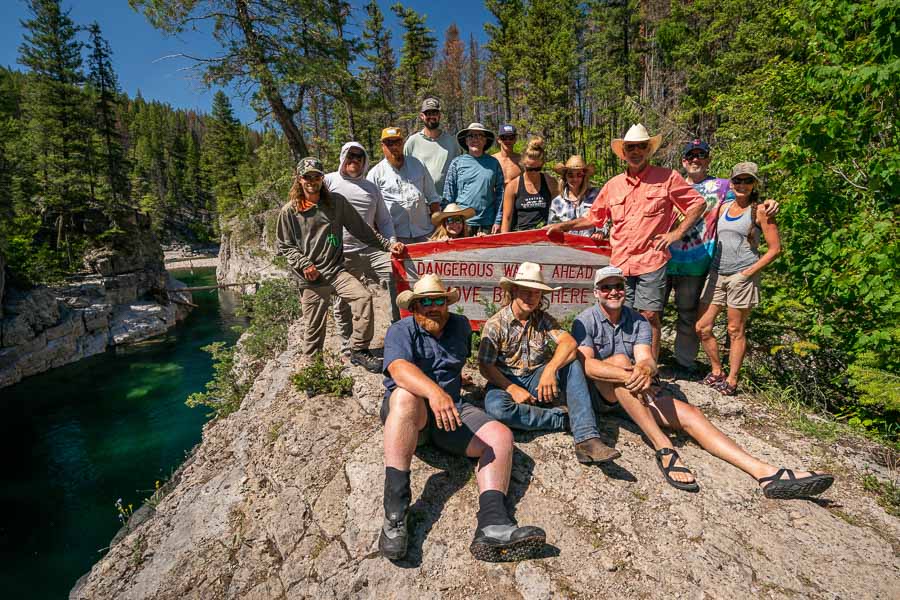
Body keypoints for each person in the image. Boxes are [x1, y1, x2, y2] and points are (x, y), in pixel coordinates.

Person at [574, 266, 834, 498]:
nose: (613, 292)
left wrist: (644, 370)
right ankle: (664, 447)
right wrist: (631, 374)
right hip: (603, 394)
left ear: (625, 289)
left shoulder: (638, 320)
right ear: (596, 293)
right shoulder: (586, 320)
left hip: (636, 392)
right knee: (620, 360)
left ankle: (764, 472)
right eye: (606, 288)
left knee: (692, 414)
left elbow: (647, 359)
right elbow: (587, 365)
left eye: (618, 286)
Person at [380, 274, 547, 562]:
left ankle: (493, 523)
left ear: (447, 303)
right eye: (425, 302)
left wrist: (456, 384)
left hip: (452, 411)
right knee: (405, 397)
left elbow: (452, 366)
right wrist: (434, 392)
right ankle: (395, 514)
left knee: (500, 437)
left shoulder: (460, 326)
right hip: (413, 417)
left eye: (439, 301)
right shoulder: (401, 330)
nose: (433, 307)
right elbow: (398, 369)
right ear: (414, 307)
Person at [547, 124, 706, 360]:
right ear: (624, 152)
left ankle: (650, 369)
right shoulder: (613, 185)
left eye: (641, 146)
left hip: (651, 259)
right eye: (631, 147)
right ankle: (628, 364)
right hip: (621, 261)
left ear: (648, 150)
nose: (636, 152)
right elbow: (594, 217)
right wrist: (565, 226)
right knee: (622, 314)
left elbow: (697, 204)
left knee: (649, 315)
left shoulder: (667, 177)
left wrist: (676, 233)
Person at [477, 262, 620, 464]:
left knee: (572, 364)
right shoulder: (496, 324)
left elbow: (569, 342)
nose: (531, 297)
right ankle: (561, 419)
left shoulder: (542, 319)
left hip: (537, 376)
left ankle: (587, 439)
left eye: (536, 293)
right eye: (526, 291)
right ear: (514, 291)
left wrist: (550, 370)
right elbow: (485, 366)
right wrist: (511, 388)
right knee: (497, 409)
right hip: (505, 379)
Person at [276, 157, 403, 373]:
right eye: (307, 177)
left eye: (316, 176)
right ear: (299, 179)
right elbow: (284, 245)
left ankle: (359, 350)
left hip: (335, 271)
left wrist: (387, 245)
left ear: (322, 178)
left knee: (363, 298)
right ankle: (313, 371)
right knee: (314, 328)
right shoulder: (290, 211)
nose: (312, 181)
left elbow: (361, 229)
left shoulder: (336, 203)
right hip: (311, 278)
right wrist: (304, 264)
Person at [665, 140, 779, 374]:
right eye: (690, 156)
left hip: (697, 262)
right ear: (683, 160)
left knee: (688, 315)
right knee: (651, 312)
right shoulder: (671, 183)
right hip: (663, 258)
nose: (695, 159)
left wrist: (769, 202)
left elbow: (747, 199)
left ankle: (684, 363)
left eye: (701, 155)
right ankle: (650, 360)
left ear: (708, 160)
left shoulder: (722, 186)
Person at [695, 162, 781, 396]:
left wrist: (746, 274)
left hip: (742, 275)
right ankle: (716, 371)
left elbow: (775, 249)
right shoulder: (724, 207)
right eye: (738, 181)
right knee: (702, 327)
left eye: (748, 181)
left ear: (754, 184)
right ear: (731, 183)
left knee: (735, 329)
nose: (742, 185)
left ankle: (732, 380)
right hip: (717, 272)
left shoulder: (760, 211)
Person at [325, 142, 404, 350]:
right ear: (343, 157)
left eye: (359, 157)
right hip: (341, 252)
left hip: (371, 249)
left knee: (396, 274)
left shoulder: (371, 187)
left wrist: (392, 242)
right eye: (350, 155)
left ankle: (399, 329)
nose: (354, 160)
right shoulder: (329, 181)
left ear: (364, 161)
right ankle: (347, 343)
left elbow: (384, 220)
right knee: (343, 297)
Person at [368, 126, 441, 244]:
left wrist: (439, 226)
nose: (394, 147)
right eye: (389, 143)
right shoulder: (375, 174)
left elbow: (432, 197)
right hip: (395, 236)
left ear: (402, 143)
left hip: (425, 231)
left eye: (397, 142)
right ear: (382, 146)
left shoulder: (418, 165)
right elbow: (371, 210)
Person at [442, 123, 505, 235]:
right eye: (471, 136)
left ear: (485, 140)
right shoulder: (457, 163)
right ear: (466, 141)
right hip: (462, 223)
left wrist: (498, 220)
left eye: (479, 136)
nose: (475, 139)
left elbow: (501, 193)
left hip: (488, 222)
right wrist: (448, 221)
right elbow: (448, 194)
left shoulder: (493, 163)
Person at [403, 97, 460, 197]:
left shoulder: (451, 142)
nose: (431, 116)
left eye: (434, 113)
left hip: (446, 200)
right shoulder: (412, 142)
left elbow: (458, 172)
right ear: (422, 116)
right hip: (420, 201)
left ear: (439, 115)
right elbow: (404, 171)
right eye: (428, 113)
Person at [500, 137, 559, 232]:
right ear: (523, 164)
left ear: (542, 164)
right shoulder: (513, 186)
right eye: (530, 169)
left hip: (545, 234)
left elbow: (558, 212)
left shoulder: (551, 182)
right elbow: (507, 218)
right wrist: (504, 238)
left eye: (537, 169)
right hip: (520, 234)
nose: (533, 173)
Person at [548, 155, 603, 239]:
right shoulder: (557, 202)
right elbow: (551, 227)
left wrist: (600, 231)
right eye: (570, 175)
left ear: (584, 176)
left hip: (591, 243)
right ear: (565, 177)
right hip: (567, 245)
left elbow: (603, 217)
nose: (575, 179)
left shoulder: (595, 195)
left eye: (579, 175)